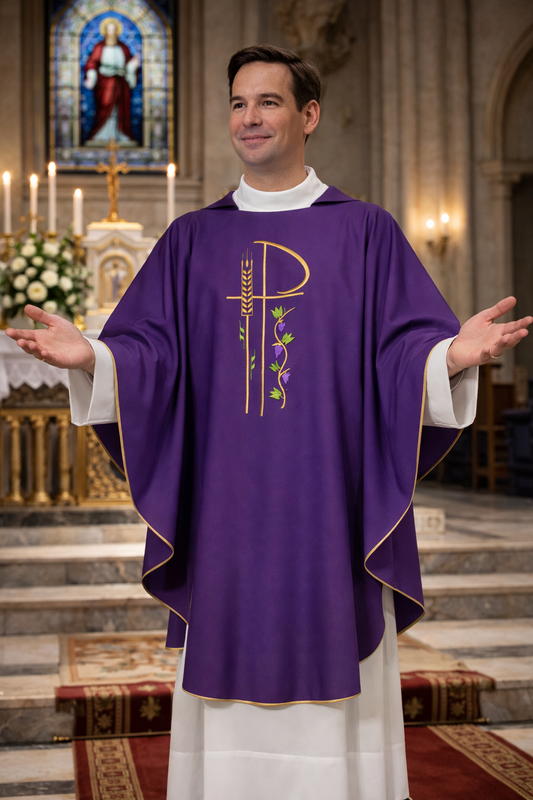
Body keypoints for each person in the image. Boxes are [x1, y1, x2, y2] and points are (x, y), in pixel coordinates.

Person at [7, 45, 531, 800]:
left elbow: (399, 351)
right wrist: (91, 354)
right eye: (237, 104)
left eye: (268, 102)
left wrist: (449, 355)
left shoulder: (364, 232)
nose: (249, 118)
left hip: (330, 505)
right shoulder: (191, 240)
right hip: (224, 510)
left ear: (308, 115)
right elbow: (149, 355)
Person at [83, 19, 140, 145]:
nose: (112, 32)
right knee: (105, 104)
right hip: (105, 83)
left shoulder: (123, 47)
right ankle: (101, 134)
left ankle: (121, 134)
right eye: (109, 30)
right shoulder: (99, 47)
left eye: (114, 30)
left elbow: (130, 63)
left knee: (120, 110)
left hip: (121, 84)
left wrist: (132, 67)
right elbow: (92, 63)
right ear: (105, 31)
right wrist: (91, 76)